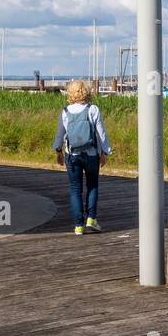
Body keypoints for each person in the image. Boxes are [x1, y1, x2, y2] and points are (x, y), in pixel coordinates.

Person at [53, 79, 112, 235]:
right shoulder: (93, 110)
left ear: (71, 93)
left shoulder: (65, 112)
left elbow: (60, 135)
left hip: (72, 155)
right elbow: (101, 133)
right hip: (91, 154)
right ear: (87, 92)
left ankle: (78, 225)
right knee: (92, 186)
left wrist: (58, 152)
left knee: (75, 189)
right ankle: (91, 218)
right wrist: (105, 152)